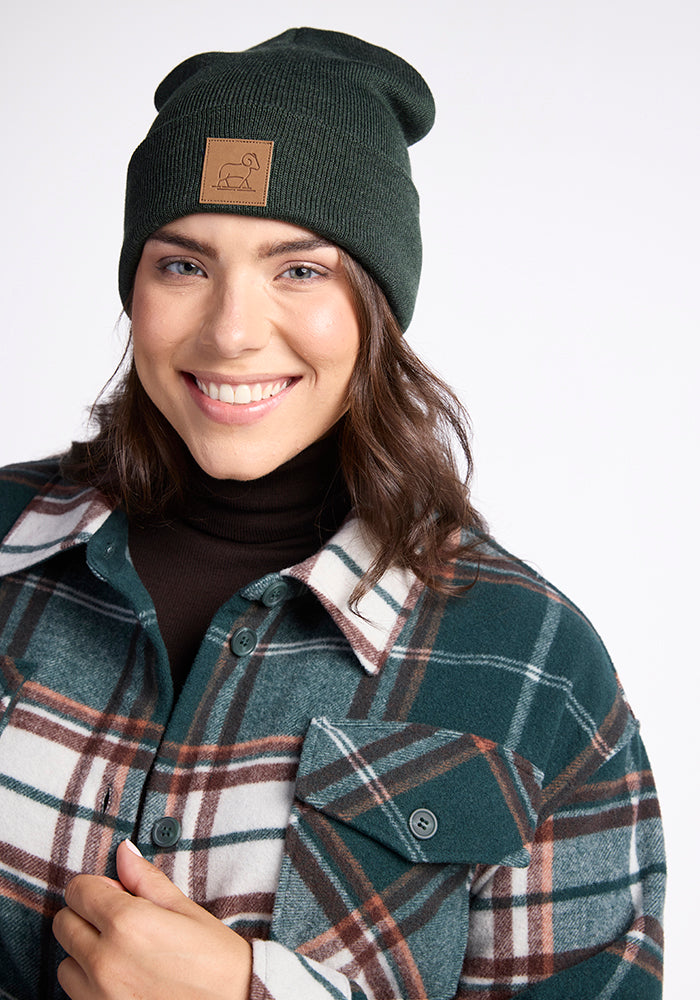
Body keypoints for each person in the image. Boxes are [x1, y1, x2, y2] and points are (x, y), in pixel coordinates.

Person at [0, 27, 665, 1000]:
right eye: (182, 264)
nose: (230, 330)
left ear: (375, 306)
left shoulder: (533, 668)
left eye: (298, 269)